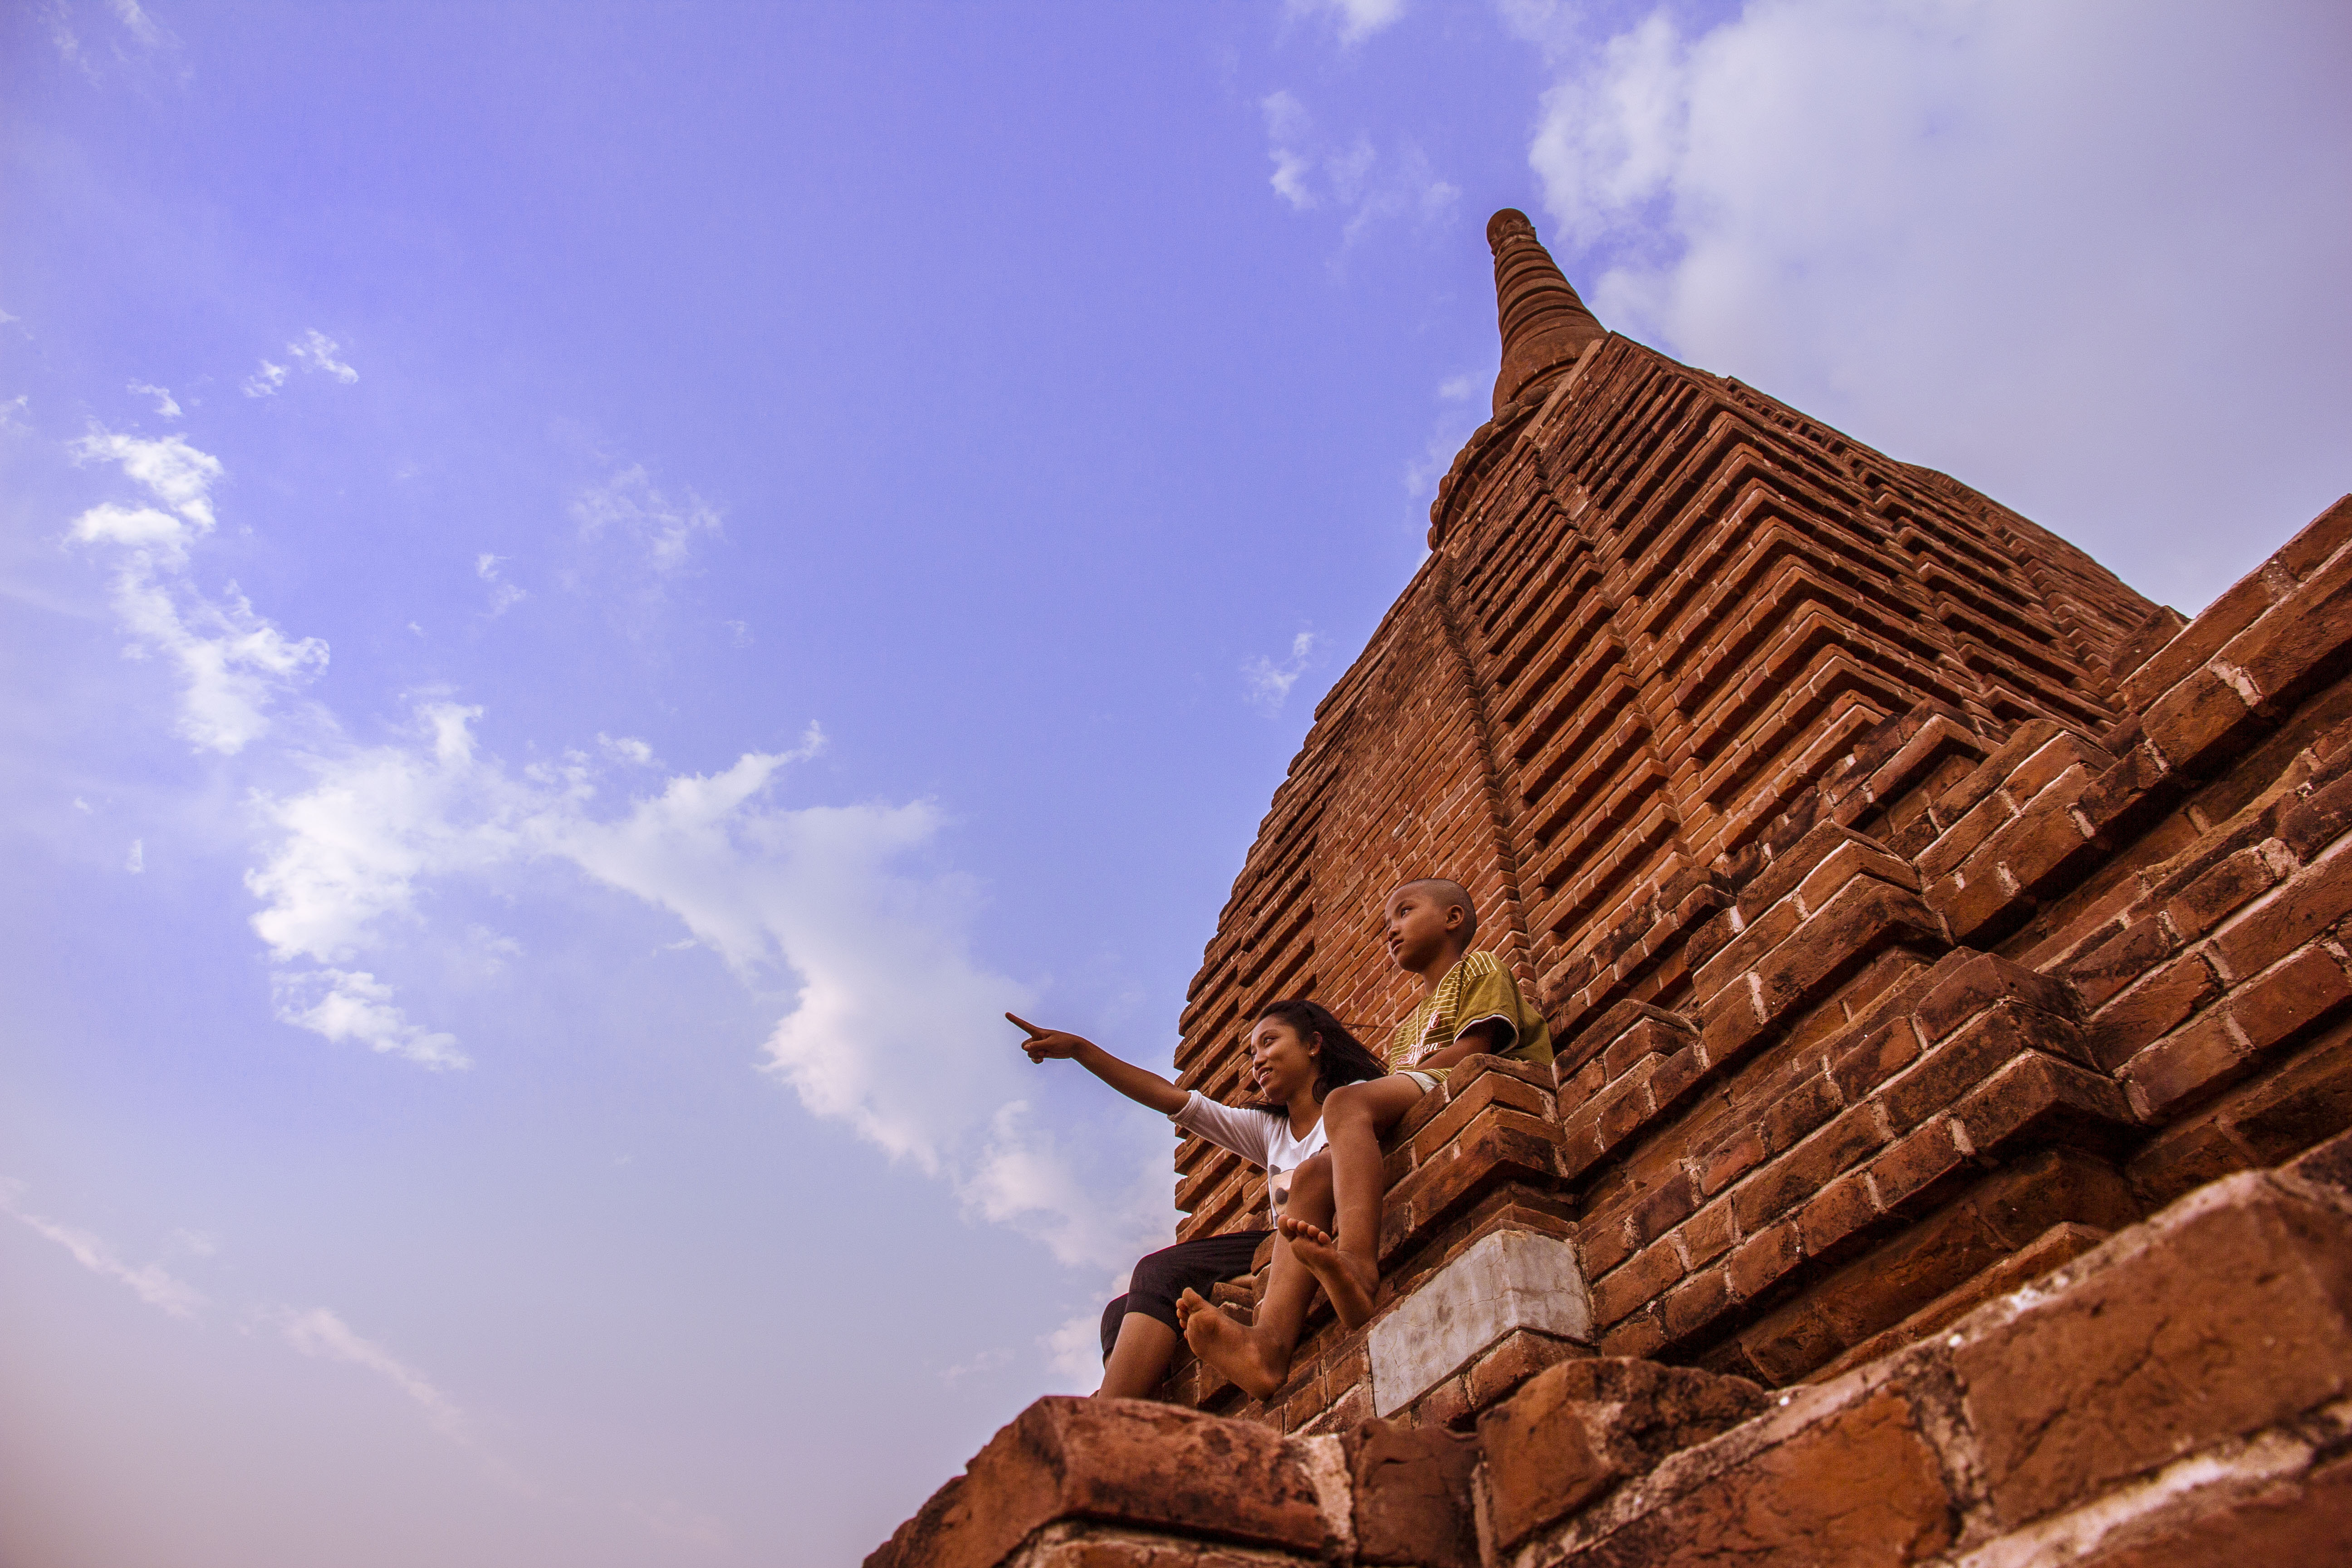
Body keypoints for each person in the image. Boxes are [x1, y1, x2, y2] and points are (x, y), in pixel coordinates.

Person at [1175, 877, 1552, 1395]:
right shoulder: (1407, 1028)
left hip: (1469, 1081)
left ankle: (1356, 1259)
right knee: (1308, 1178)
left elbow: (1474, 1049)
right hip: (1420, 1100)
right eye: (1386, 924)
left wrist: (1374, 1098)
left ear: (1453, 919)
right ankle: (1268, 1346)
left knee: (1346, 1102)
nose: (1392, 930)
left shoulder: (1478, 967)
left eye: (1404, 912)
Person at [1008, 998, 1389, 1401]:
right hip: (1283, 1244)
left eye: (1270, 1042)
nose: (1257, 1060)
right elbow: (1171, 1100)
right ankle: (1133, 1418)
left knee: (1160, 1271)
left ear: (1314, 1045)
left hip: (1317, 1239)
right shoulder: (1268, 1130)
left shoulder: (1355, 1104)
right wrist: (1081, 1051)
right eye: (1252, 1053)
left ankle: (1104, 1420)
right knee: (1117, 1316)